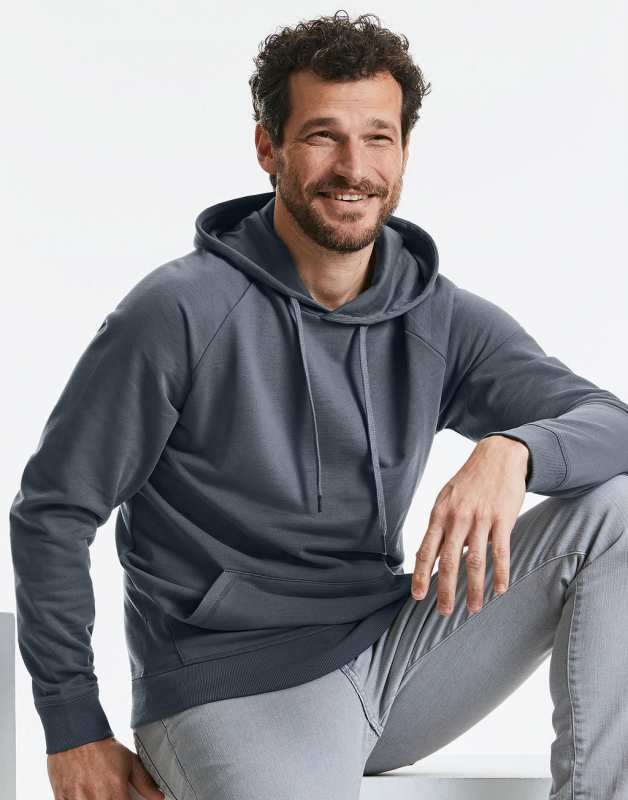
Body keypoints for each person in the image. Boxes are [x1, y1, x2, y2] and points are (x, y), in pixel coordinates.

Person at [9, 9, 628, 800]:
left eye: (378, 137)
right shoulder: (178, 312)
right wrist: (73, 728)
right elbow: (53, 512)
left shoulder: (436, 316)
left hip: (394, 655)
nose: (353, 167)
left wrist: (516, 452)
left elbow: (613, 424)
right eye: (322, 136)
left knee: (615, 513)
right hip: (231, 684)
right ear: (268, 147)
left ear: (403, 152)